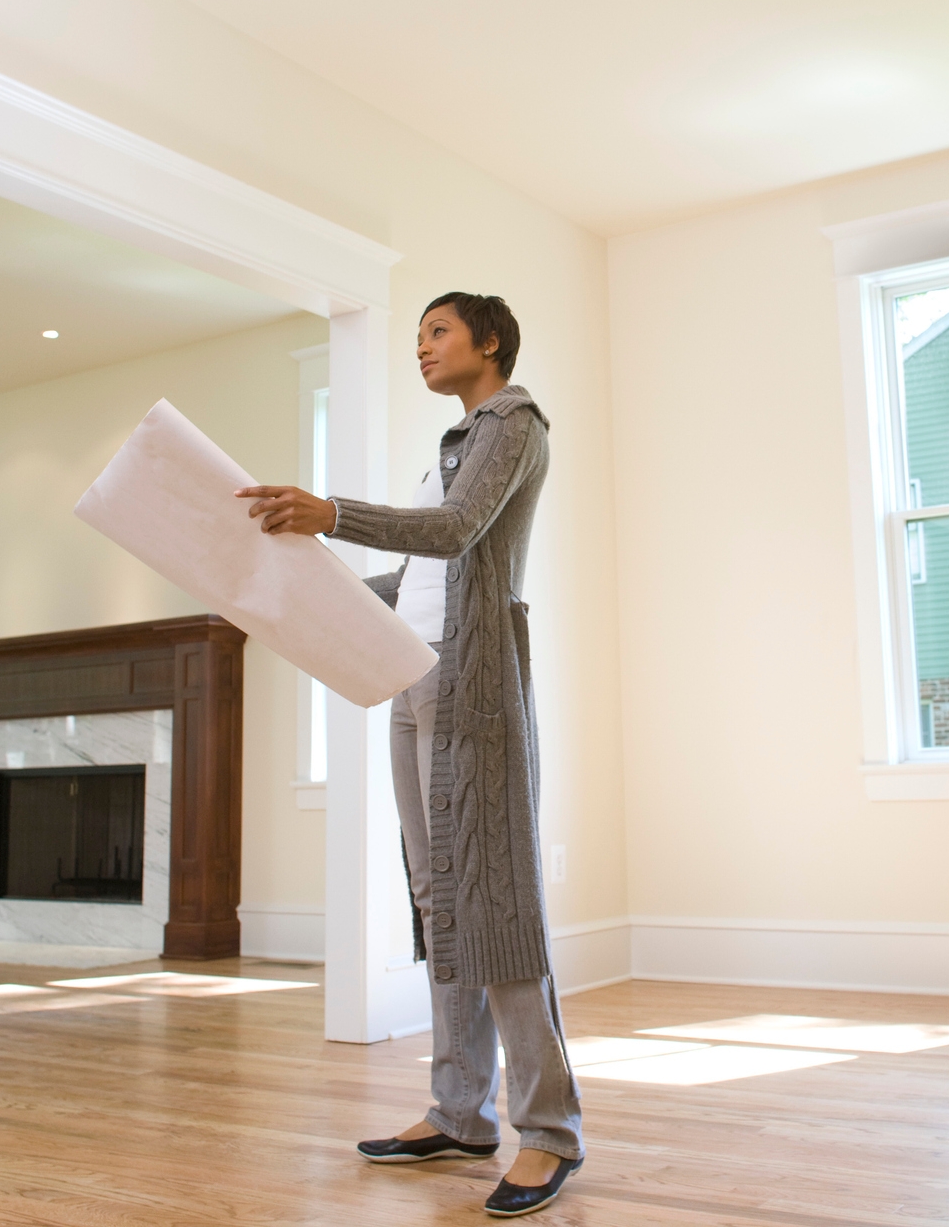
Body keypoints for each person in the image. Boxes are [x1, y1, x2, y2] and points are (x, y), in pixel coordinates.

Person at [237, 293, 583, 1219]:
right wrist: (295, 575)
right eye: (417, 336)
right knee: (439, 901)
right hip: (414, 684)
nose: (420, 349)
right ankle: (458, 1112)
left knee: (495, 897)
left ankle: (547, 1133)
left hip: (475, 694)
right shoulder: (454, 447)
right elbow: (423, 572)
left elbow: (453, 533)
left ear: (490, 340)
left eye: (436, 332)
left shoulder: (514, 421)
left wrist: (329, 512)